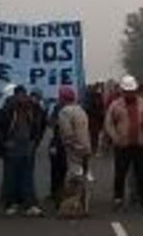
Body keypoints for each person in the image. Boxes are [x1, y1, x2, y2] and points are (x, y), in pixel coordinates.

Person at [105, 75, 143, 209]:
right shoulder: (115, 105)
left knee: (142, 173)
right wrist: (115, 137)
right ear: (122, 91)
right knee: (120, 173)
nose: (130, 93)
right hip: (122, 144)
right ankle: (118, 197)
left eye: (132, 91)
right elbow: (109, 123)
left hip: (140, 144)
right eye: (127, 91)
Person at [0, 85, 44, 216]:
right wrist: (4, 142)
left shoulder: (31, 109)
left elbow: (37, 127)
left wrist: (34, 141)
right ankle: (10, 203)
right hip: (12, 149)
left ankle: (30, 204)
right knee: (11, 177)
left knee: (27, 177)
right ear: (15, 95)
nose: (23, 98)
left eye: (24, 95)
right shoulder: (7, 109)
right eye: (20, 95)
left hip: (27, 147)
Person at [56, 85, 92, 218]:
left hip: (74, 148)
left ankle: (73, 208)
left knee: (73, 178)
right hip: (86, 146)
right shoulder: (80, 110)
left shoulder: (65, 112)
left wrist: (70, 144)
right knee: (85, 176)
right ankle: (84, 206)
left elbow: (67, 133)